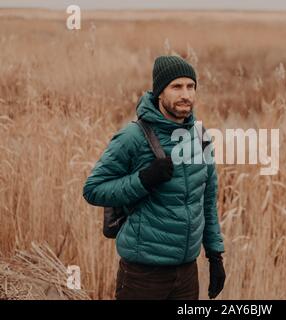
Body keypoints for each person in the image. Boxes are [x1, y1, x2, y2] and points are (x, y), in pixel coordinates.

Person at [83, 55, 225, 300]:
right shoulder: (133, 137)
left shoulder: (200, 136)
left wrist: (215, 255)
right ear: (160, 92)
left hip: (187, 273)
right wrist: (143, 180)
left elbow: (207, 201)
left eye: (191, 86)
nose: (186, 95)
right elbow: (93, 189)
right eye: (176, 87)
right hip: (143, 275)